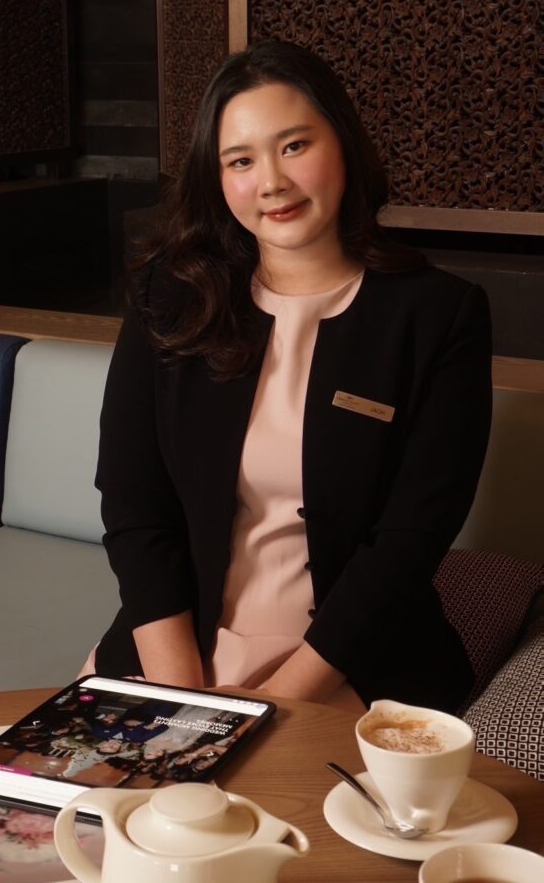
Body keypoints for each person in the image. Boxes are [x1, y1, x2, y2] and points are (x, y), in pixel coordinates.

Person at [80, 40, 492, 714]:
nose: (271, 181)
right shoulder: (169, 297)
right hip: (175, 649)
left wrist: (268, 710)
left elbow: (410, 539)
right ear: (217, 178)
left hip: (346, 661)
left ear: (343, 144)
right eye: (240, 160)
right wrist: (181, 695)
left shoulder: (438, 315)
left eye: (294, 146)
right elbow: (132, 502)